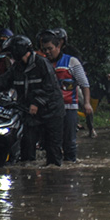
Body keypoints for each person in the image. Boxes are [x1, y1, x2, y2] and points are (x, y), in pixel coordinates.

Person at [0, 34, 65, 166]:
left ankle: (53, 177)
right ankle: (27, 176)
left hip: (52, 112)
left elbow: (50, 88)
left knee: (53, 150)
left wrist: (36, 103)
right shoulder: (17, 68)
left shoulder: (42, 64)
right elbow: (3, 81)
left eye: (11, 53)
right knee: (26, 147)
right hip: (29, 112)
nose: (9, 57)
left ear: (17, 51)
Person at [38, 29, 93, 162]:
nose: (47, 52)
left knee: (69, 142)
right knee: (50, 143)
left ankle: (69, 168)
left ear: (58, 46)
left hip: (69, 108)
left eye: (50, 49)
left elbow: (84, 84)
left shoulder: (71, 62)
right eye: (44, 50)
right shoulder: (41, 63)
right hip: (49, 109)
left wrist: (86, 103)